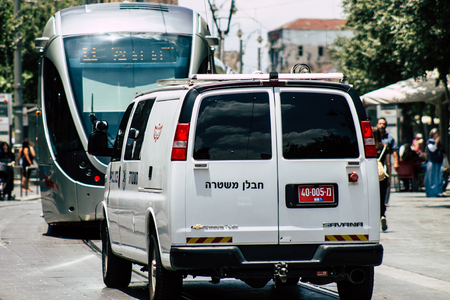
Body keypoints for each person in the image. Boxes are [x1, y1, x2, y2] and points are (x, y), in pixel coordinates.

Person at [377, 117, 398, 205]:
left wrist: (396, 162)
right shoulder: (374, 137)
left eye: (384, 124)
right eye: (380, 124)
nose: (382, 126)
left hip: (384, 163)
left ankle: (385, 201)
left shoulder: (390, 138)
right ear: (377, 124)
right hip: (376, 164)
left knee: (386, 180)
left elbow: (395, 151)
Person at [373, 127, 391, 231]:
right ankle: (382, 215)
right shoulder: (384, 147)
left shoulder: (368, 147)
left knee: (373, 198)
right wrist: (389, 177)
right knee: (382, 197)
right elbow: (388, 163)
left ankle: (374, 219)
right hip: (382, 176)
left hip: (372, 176)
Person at [424, 128, 445, 197]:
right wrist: (436, 142)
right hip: (433, 162)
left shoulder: (439, 143)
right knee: (432, 178)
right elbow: (432, 149)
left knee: (439, 177)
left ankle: (438, 191)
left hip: (439, 161)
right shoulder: (430, 142)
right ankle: (432, 192)